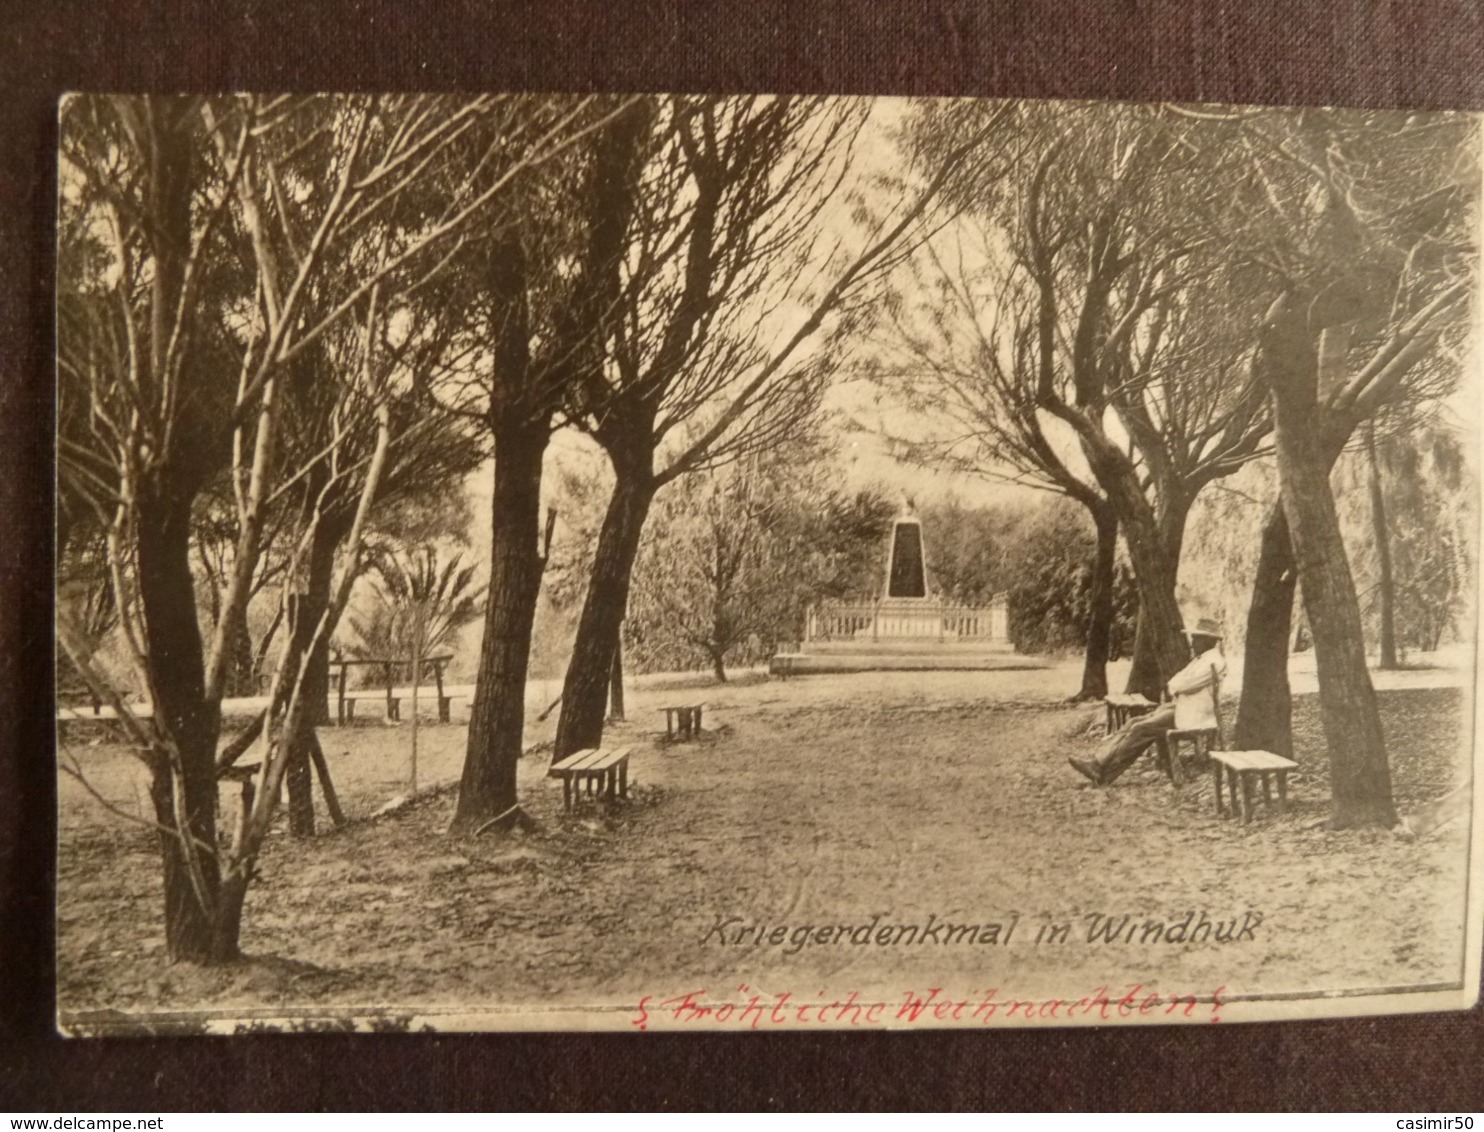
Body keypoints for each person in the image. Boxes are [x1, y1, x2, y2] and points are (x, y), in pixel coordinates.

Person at [1068, 618, 1227, 786]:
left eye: (1197, 638)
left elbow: (1181, 684)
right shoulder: (1201, 659)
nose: (1193, 641)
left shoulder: (1214, 661)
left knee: (1140, 728)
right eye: (1194, 637)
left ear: (1209, 640)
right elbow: (1175, 681)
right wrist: (1177, 686)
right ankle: (1099, 767)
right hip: (1183, 707)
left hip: (1196, 715)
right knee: (1134, 722)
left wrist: (1177, 686)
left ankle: (1100, 769)